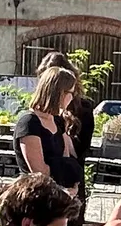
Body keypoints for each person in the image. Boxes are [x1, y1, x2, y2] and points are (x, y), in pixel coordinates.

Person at [12, 64, 85, 213]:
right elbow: (39, 171)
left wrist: (71, 186)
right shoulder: (29, 122)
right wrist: (62, 189)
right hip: (35, 199)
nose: (72, 98)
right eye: (70, 92)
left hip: (59, 200)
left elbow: (66, 161)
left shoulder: (57, 121)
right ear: (58, 92)